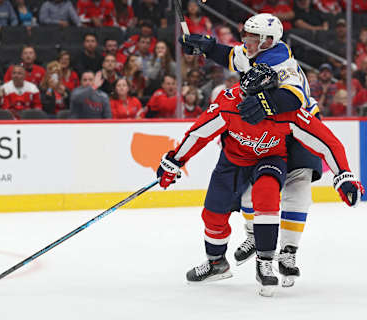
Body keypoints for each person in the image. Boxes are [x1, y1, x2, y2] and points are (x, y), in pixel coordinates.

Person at [156, 64, 364, 296]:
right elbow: (199, 134)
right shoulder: (228, 103)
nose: (243, 100)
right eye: (243, 93)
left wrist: (343, 175)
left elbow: (327, 142)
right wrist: (175, 160)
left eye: (250, 96)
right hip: (233, 160)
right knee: (213, 211)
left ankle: (264, 262)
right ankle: (216, 263)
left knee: (266, 197)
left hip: (271, 158)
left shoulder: (289, 112)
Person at [179, 13, 323, 286]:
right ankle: (255, 235)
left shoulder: (282, 60)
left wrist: (267, 105)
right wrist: (206, 46)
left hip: (298, 125)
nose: (246, 40)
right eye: (246, 34)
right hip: (269, 126)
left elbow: (294, 97)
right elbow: (232, 56)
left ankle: (288, 252)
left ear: (269, 40)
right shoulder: (254, 51)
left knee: (298, 185)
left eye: (252, 36)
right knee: (251, 188)